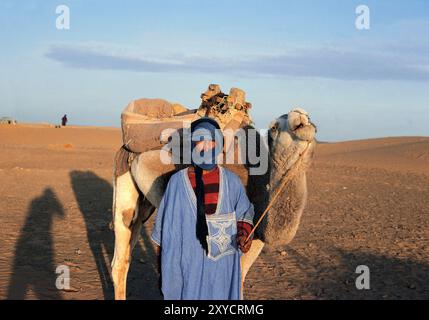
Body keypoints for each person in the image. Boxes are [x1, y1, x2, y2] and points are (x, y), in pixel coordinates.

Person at [151, 117, 254, 300]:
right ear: (192, 144)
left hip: (222, 272)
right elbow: (164, 234)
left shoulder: (232, 182)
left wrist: (244, 236)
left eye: (211, 140)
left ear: (219, 144)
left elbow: (244, 216)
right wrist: (164, 271)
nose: (206, 146)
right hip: (187, 270)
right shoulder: (176, 183)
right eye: (200, 140)